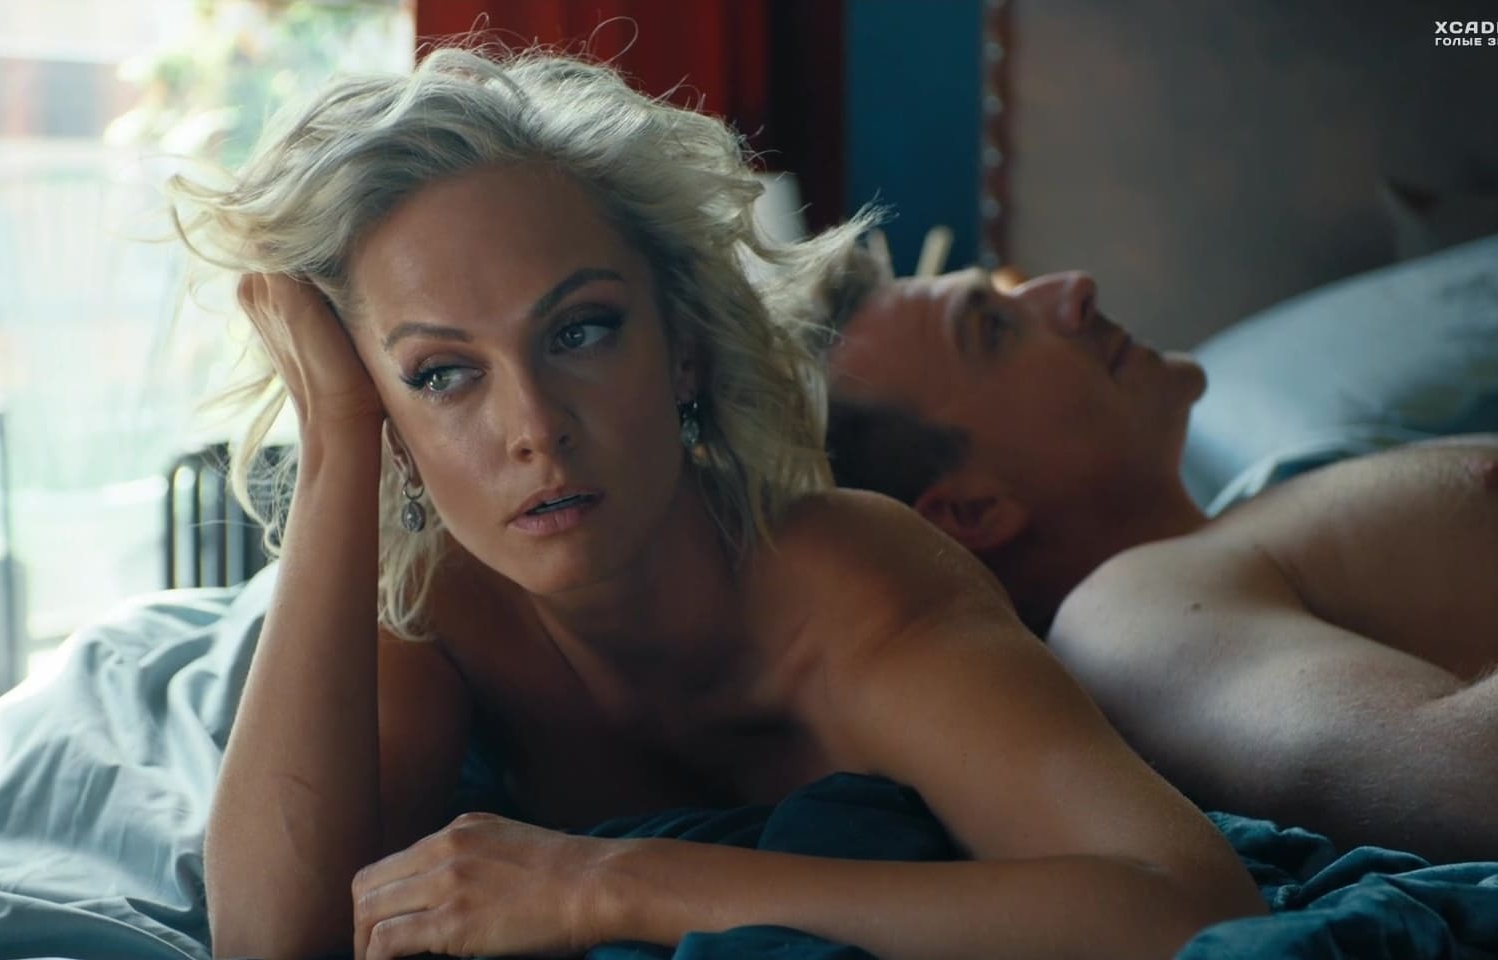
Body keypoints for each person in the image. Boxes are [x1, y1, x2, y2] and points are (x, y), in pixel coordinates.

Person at [168, 45, 1263, 960]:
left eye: (581, 330)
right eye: (443, 374)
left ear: (682, 350)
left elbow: (1190, 908)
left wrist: (609, 883)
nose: (534, 426)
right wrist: (337, 437)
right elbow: (271, 944)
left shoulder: (854, 585)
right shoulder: (434, 615)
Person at [821, 244, 1498, 865]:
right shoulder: (1129, 616)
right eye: (995, 328)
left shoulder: (1255, 508)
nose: (1073, 288)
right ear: (973, 509)